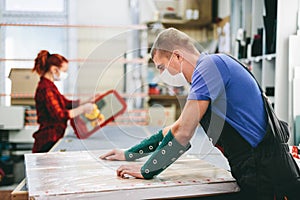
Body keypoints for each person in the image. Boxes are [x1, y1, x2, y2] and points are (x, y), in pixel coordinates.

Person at [100, 28, 300, 199]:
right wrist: (130, 154)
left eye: (162, 67)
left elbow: (184, 132)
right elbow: (177, 127)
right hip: (257, 169)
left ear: (177, 56)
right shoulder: (212, 69)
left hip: (269, 174)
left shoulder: (209, 68)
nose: (163, 75)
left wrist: (148, 170)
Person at [32, 50, 96, 153]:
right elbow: (60, 115)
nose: (65, 74)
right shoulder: (46, 89)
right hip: (48, 140)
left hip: (53, 137)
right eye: (64, 71)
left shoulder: (50, 86)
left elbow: (65, 103)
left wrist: (86, 101)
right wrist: (83, 109)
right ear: (54, 69)